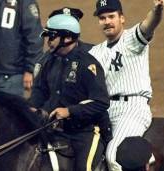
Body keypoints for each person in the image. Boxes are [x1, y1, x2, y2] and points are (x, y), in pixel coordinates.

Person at [89, 0, 164, 170]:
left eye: (111, 16)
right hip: (105, 111)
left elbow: (149, 24)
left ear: (122, 18)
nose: (107, 21)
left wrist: (157, 9)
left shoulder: (132, 39)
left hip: (132, 109)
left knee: (113, 156)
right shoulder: (94, 52)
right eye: (102, 18)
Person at [29, 11, 111, 171]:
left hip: (85, 131)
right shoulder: (46, 63)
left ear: (67, 38)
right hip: (56, 130)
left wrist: (70, 111)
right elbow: (38, 95)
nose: (48, 41)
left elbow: (101, 102)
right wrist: (31, 110)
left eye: (52, 36)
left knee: (84, 168)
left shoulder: (88, 64)